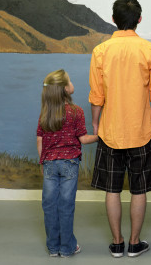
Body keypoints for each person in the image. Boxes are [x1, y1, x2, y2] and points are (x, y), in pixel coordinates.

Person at [89, 0, 151, 258]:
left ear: (113, 19)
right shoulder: (150, 50)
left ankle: (117, 243)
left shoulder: (100, 51)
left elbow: (97, 96)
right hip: (141, 131)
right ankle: (135, 243)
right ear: (139, 20)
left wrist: (96, 125)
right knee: (139, 190)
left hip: (110, 133)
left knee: (112, 190)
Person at [36, 69, 98, 258]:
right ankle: (68, 247)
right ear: (65, 89)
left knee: (49, 205)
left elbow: (40, 140)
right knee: (66, 205)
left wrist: (42, 162)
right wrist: (101, 136)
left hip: (49, 164)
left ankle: (53, 247)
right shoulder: (76, 111)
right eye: (70, 81)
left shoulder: (45, 113)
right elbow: (84, 139)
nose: (72, 83)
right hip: (70, 164)